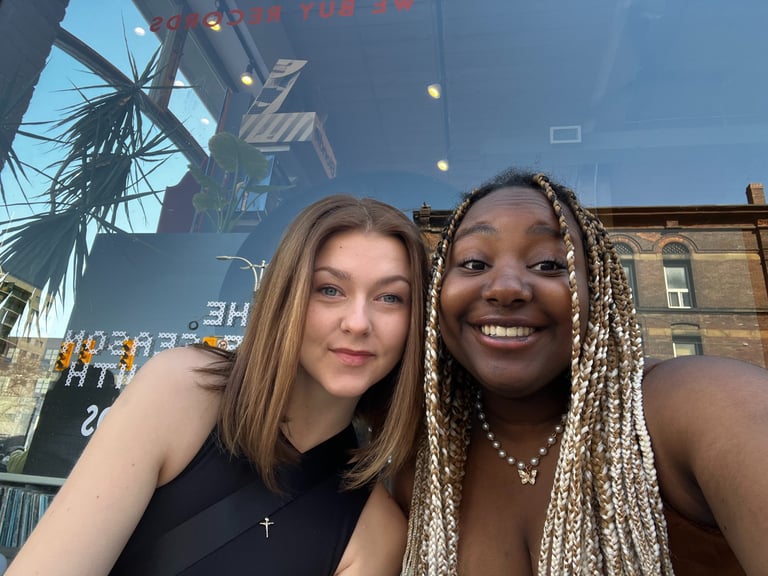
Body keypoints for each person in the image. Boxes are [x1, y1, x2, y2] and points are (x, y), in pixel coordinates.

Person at [9, 194, 429, 576]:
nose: (357, 322)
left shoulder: (376, 533)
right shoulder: (180, 391)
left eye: (391, 298)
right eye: (330, 289)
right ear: (286, 298)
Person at [398, 169, 768, 575]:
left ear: (599, 290)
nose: (505, 287)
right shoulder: (417, 471)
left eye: (548, 263)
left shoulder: (693, 405)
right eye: (473, 262)